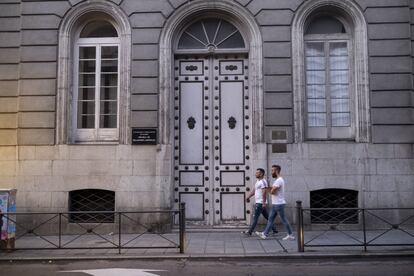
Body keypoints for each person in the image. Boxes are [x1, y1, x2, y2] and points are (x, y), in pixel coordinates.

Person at [256, 165, 294, 241]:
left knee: (284, 220)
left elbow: (273, 192)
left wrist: (267, 188)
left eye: (272, 170)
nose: (271, 172)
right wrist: (268, 187)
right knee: (270, 219)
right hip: (275, 204)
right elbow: (272, 189)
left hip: (279, 204)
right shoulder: (278, 180)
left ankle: (290, 235)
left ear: (276, 171)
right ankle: (264, 234)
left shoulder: (279, 180)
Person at [242, 168, 277, 236]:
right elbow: (254, 191)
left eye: (257, 173)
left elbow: (264, 193)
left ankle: (250, 232)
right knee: (267, 217)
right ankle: (275, 230)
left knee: (255, 217)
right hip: (260, 203)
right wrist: (248, 197)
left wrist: (263, 203)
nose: (256, 174)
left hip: (260, 203)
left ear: (261, 174)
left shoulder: (263, 182)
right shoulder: (258, 181)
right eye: (256, 172)